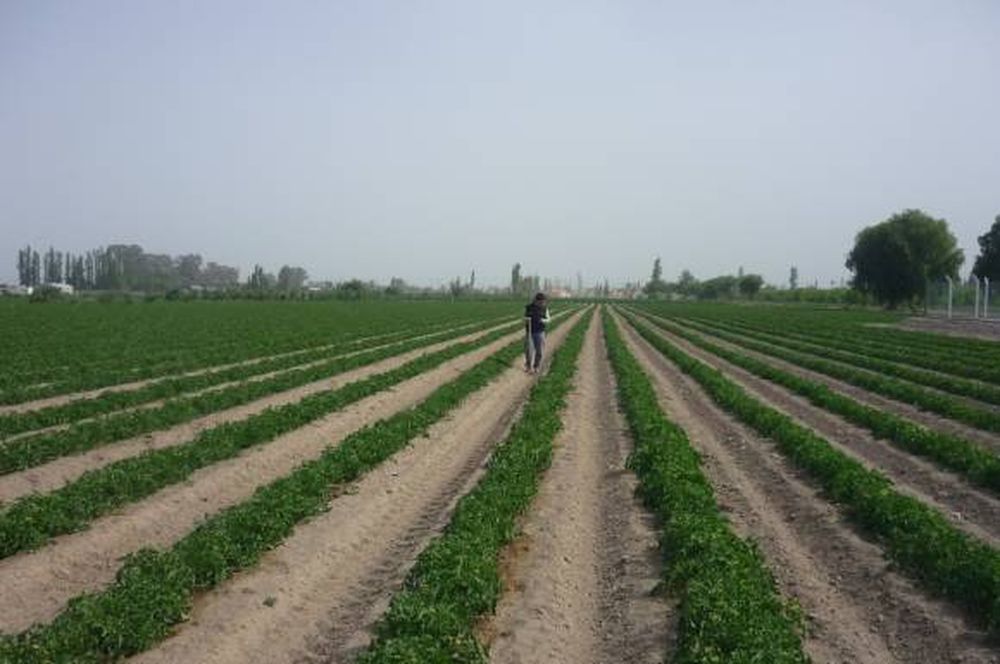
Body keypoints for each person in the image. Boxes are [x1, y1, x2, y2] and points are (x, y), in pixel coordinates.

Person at [524, 292, 551, 373]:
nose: (542, 302)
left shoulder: (545, 309)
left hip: (540, 332)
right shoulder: (529, 307)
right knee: (529, 350)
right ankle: (528, 366)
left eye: (543, 301)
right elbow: (524, 317)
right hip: (530, 332)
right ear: (536, 300)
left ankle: (536, 366)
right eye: (541, 301)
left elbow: (548, 319)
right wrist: (526, 319)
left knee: (539, 351)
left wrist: (543, 320)